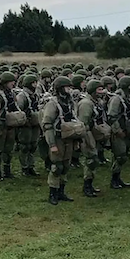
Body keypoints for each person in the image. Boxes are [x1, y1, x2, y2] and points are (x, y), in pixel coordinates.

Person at [42, 76, 81, 205]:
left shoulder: (70, 102)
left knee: (65, 166)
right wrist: (52, 144)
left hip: (68, 138)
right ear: (60, 88)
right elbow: (47, 124)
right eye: (67, 87)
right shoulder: (52, 104)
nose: (69, 90)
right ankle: (52, 193)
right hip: (57, 138)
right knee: (56, 167)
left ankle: (61, 192)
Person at [0, 72, 19, 181]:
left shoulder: (11, 94)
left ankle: (7, 170)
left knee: (9, 149)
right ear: (5, 83)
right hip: (1, 126)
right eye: (11, 82)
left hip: (10, 125)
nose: (13, 84)